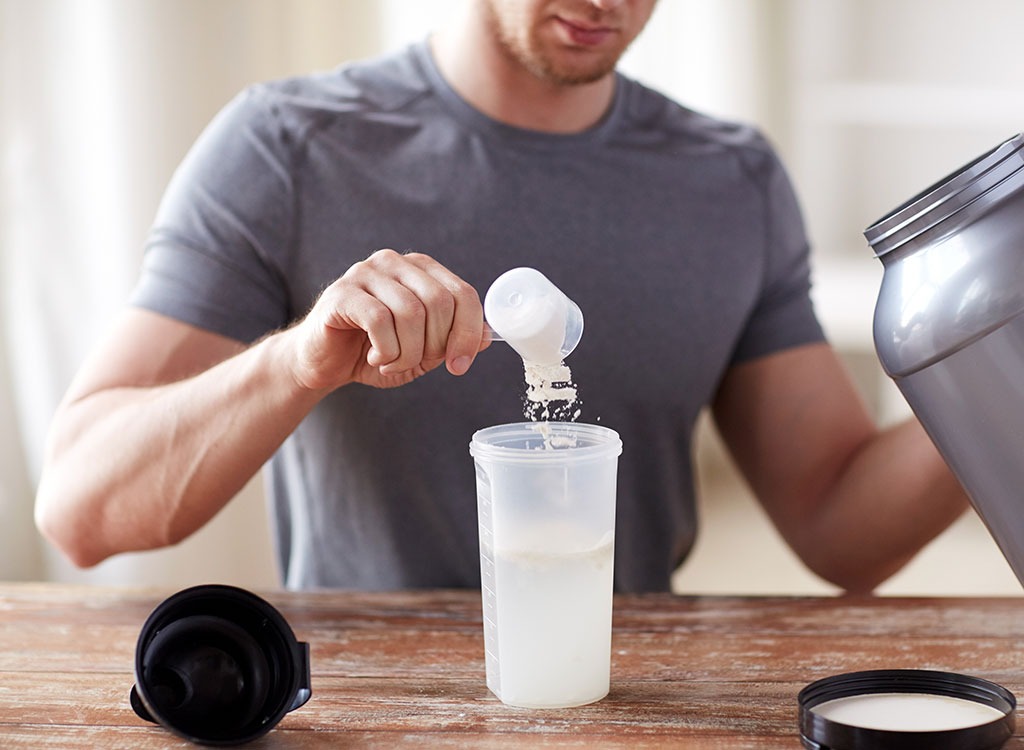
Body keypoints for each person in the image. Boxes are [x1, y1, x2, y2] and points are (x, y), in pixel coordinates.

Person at [34, 0, 968, 592]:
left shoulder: (732, 181)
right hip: (368, 713)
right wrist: (296, 361)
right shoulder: (288, 149)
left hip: (628, 706)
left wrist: (994, 364)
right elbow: (80, 510)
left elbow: (842, 529)